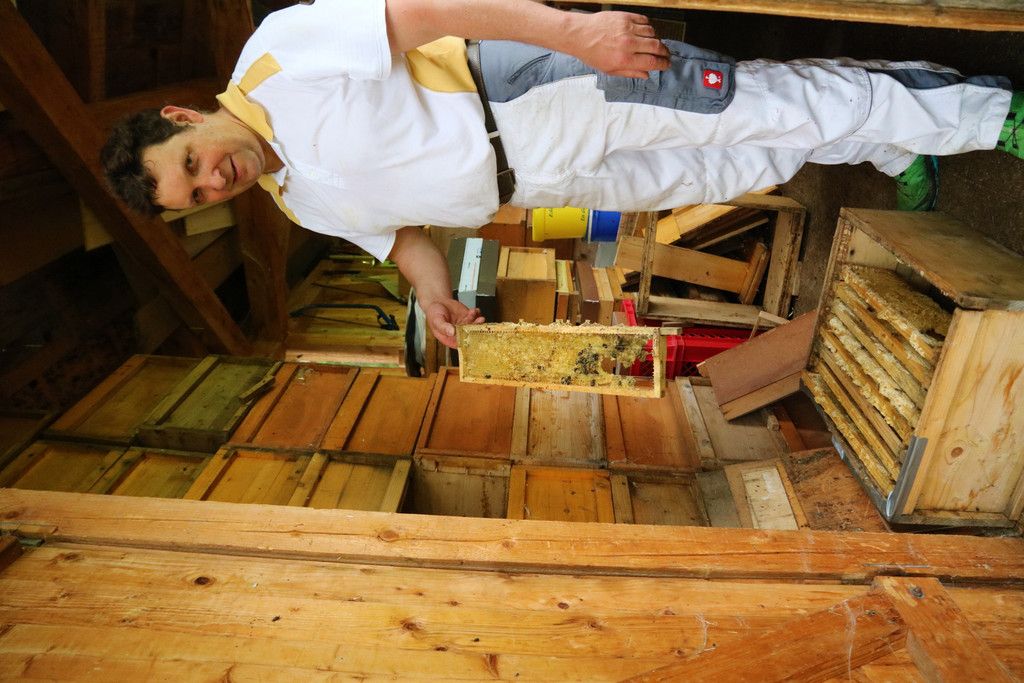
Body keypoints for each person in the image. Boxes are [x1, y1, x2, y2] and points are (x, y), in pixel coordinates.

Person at [101, 0, 1023, 349]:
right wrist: (432, 295)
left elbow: (423, 13)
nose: (216, 181)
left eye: (194, 164)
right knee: (742, 157)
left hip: (531, 98)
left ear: (183, 118)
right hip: (539, 185)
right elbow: (402, 236)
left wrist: (571, 31)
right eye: (199, 198)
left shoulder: (275, 57)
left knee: (751, 103)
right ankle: (897, 142)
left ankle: (985, 113)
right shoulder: (295, 199)